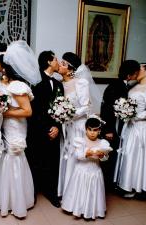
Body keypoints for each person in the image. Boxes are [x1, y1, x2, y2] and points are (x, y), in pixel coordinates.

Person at [0, 41, 40, 218]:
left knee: (14, 157)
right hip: (5, 128)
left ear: (5, 65)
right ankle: (6, 199)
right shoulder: (4, 82)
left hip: (15, 128)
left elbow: (27, 111)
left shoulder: (17, 85)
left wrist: (3, 112)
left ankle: (18, 203)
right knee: (5, 158)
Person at [114, 60, 146, 198]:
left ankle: (140, 187)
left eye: (141, 68)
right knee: (130, 156)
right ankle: (128, 185)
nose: (138, 70)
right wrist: (124, 112)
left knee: (140, 158)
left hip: (143, 129)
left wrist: (136, 116)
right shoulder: (132, 87)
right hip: (131, 127)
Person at [27, 50, 64, 208]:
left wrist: (56, 126)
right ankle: (32, 193)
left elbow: (62, 108)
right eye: (55, 59)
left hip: (55, 130)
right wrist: (46, 128)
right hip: (38, 131)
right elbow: (34, 111)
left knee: (52, 163)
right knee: (35, 162)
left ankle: (51, 193)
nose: (58, 62)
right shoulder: (35, 82)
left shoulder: (58, 84)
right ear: (49, 62)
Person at [61, 116, 112, 219]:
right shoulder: (80, 141)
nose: (92, 133)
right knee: (80, 190)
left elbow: (105, 158)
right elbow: (77, 155)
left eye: (95, 130)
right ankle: (78, 209)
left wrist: (102, 156)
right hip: (81, 170)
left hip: (95, 171)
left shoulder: (102, 143)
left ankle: (91, 210)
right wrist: (86, 153)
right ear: (85, 129)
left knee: (93, 192)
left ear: (99, 130)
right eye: (90, 130)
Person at [100, 60, 139, 191]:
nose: (136, 76)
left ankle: (111, 183)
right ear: (129, 76)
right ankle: (105, 186)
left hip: (119, 128)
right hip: (112, 129)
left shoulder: (121, 85)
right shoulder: (116, 87)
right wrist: (108, 130)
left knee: (115, 155)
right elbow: (106, 110)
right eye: (135, 74)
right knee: (109, 157)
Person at [57, 52, 92, 197]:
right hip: (65, 127)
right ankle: (65, 192)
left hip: (78, 126)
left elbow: (86, 106)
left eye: (63, 63)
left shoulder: (81, 83)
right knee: (66, 156)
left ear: (70, 69)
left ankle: (78, 195)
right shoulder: (58, 85)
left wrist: (69, 114)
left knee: (77, 156)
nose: (60, 64)